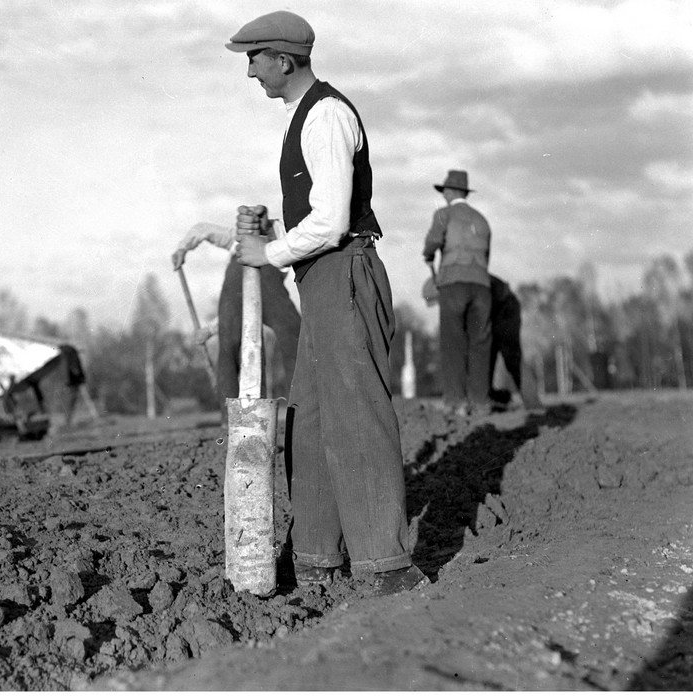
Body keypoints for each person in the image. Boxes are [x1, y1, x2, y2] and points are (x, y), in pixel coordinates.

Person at [226, 10, 426, 594]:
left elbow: (333, 219)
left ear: (283, 60)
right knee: (309, 421)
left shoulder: (328, 116)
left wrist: (271, 253)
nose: (250, 72)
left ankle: (384, 566)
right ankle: (317, 555)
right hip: (318, 280)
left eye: (254, 59)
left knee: (355, 416)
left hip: (344, 274)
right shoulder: (300, 117)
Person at [172, 222, 301, 408]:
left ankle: (233, 420)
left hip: (268, 281)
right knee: (295, 340)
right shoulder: (249, 239)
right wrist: (182, 248)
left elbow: (239, 310)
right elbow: (239, 306)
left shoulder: (282, 242)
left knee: (291, 338)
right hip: (265, 278)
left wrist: (182, 248)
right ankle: (301, 411)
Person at [422, 169, 493, 416]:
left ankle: (456, 402)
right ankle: (481, 403)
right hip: (482, 287)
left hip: (454, 284)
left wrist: (428, 255)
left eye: (444, 192)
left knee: (453, 342)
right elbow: (486, 257)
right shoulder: (482, 220)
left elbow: (432, 243)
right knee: (480, 343)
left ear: (451, 192)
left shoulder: (444, 214)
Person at [488, 275, 544, 410]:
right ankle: (490, 400)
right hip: (493, 311)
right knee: (484, 357)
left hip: (506, 309)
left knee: (512, 357)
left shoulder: (463, 287)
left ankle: (533, 403)